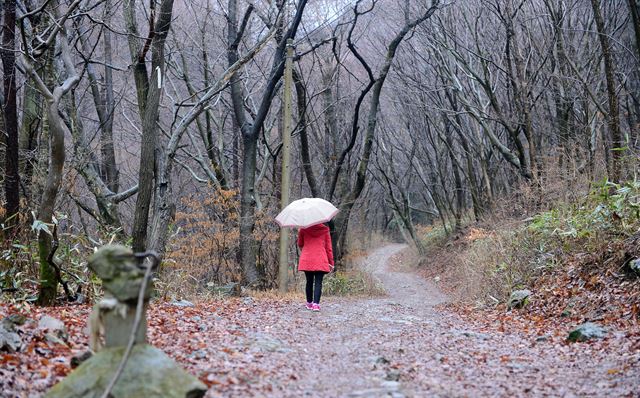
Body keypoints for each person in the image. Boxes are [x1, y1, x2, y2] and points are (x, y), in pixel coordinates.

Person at [297, 222, 334, 312]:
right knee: (318, 282)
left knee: (309, 281)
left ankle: (309, 303)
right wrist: (331, 262)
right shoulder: (325, 229)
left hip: (307, 258)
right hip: (320, 258)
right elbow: (328, 248)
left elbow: (300, 244)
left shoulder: (303, 229)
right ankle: (316, 305)